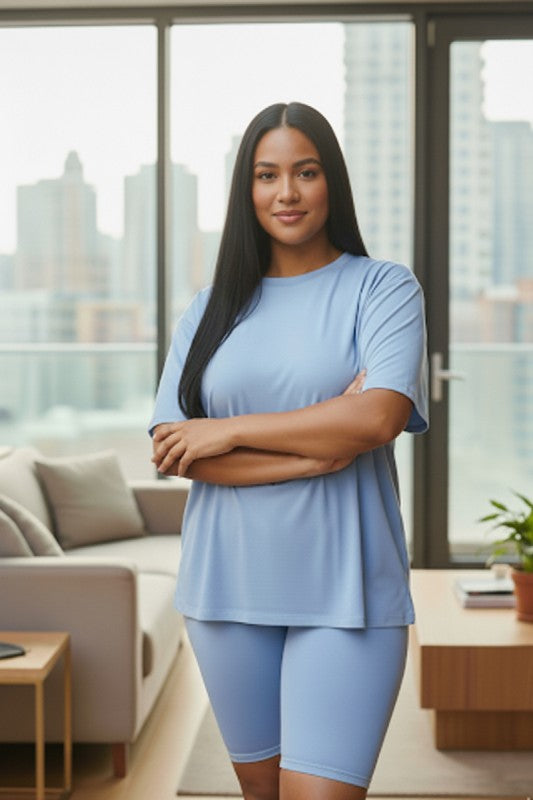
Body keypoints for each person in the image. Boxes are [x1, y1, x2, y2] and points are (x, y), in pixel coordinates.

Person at [149, 101, 428, 800]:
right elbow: (175, 450)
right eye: (266, 175)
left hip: (347, 593)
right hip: (225, 589)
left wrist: (231, 428)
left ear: (329, 180)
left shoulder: (381, 287)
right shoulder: (209, 308)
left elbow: (378, 417)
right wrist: (311, 450)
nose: (286, 193)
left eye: (304, 172)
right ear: (246, 190)